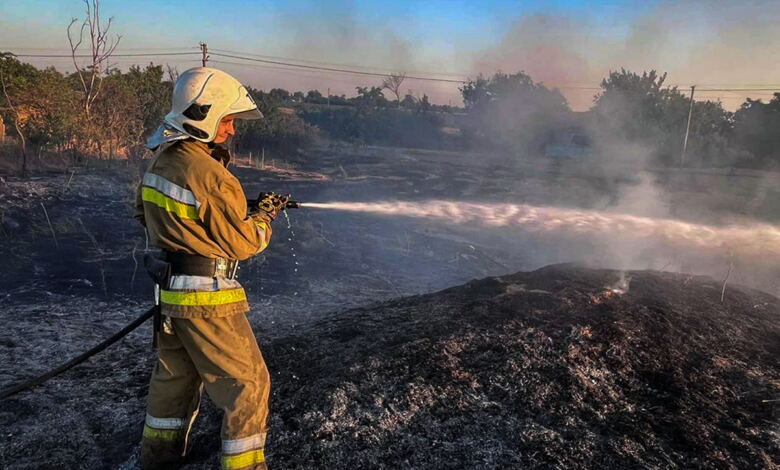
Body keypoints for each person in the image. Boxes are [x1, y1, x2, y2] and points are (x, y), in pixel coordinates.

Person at [134, 67, 288, 470]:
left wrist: (232, 215)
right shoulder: (210, 173)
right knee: (248, 384)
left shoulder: (163, 161)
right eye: (228, 120)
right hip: (207, 300)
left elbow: (146, 213)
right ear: (204, 115)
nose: (232, 130)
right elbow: (243, 243)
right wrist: (263, 218)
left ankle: (157, 459)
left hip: (170, 293)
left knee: (176, 379)